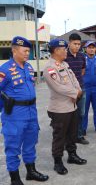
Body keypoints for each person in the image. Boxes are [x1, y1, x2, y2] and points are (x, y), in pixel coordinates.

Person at [0, 36, 49, 185]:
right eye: (25, 50)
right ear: (14, 51)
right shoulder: (5, 69)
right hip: (15, 114)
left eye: (29, 50)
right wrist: (4, 107)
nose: (28, 53)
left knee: (30, 143)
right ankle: (15, 179)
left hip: (31, 113)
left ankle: (31, 172)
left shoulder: (28, 67)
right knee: (13, 147)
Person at [43, 39, 87, 175]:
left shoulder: (65, 64)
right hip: (60, 109)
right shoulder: (50, 68)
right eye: (63, 49)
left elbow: (74, 80)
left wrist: (78, 90)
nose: (66, 51)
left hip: (72, 106)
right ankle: (58, 162)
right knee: (59, 136)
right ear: (56, 50)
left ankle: (72, 155)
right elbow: (58, 87)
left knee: (72, 134)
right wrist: (75, 92)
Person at [65, 33, 89, 145]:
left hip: (81, 90)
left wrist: (78, 86)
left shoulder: (81, 56)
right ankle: (67, 139)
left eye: (79, 44)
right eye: (74, 44)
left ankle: (79, 136)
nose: (77, 46)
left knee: (80, 114)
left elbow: (82, 71)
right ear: (69, 43)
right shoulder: (63, 56)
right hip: (67, 92)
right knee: (67, 116)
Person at [82, 41, 96, 135]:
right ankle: (83, 128)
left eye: (93, 47)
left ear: (95, 49)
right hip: (85, 88)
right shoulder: (82, 59)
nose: (91, 49)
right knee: (84, 110)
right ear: (85, 49)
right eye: (89, 47)